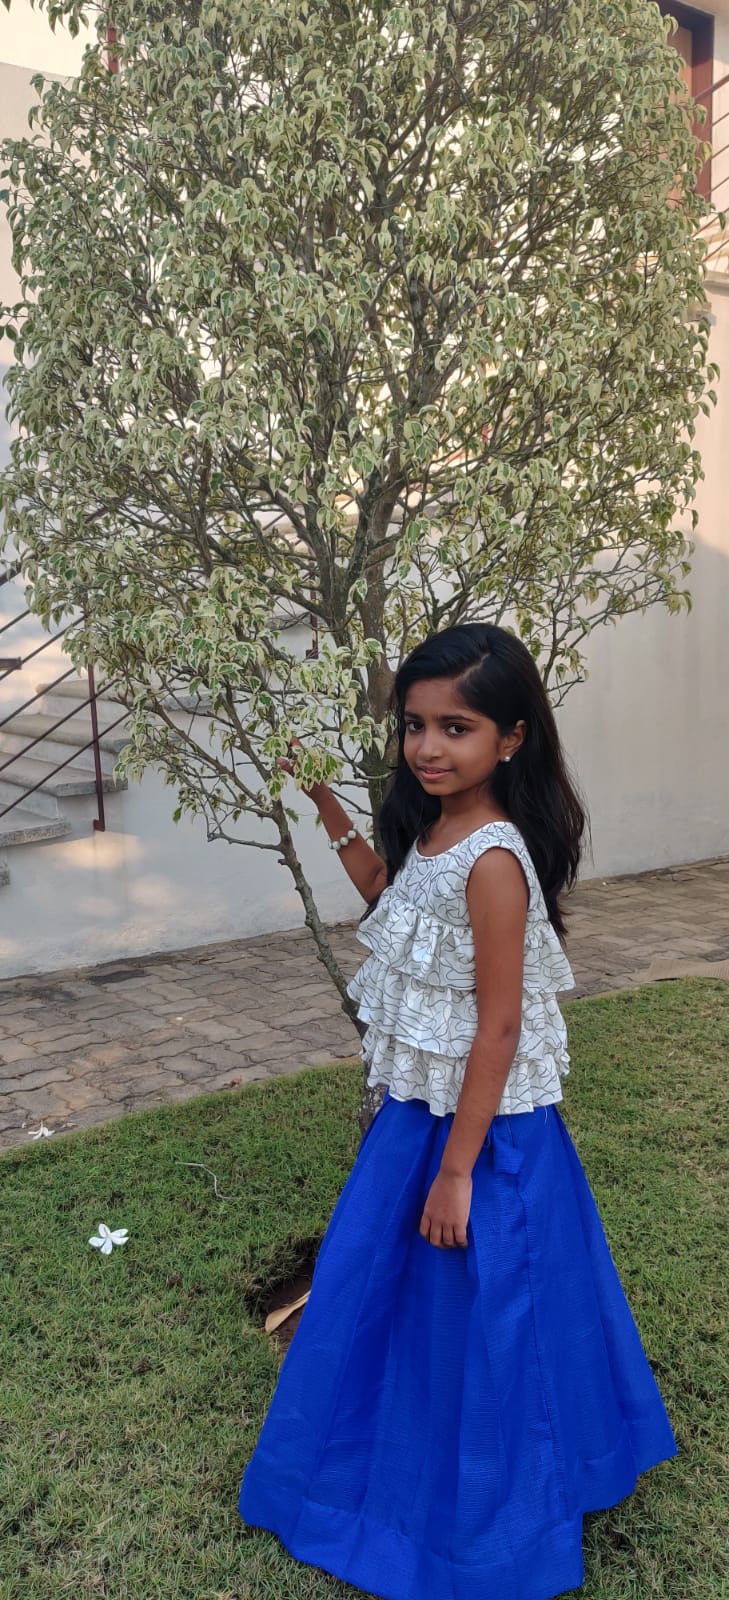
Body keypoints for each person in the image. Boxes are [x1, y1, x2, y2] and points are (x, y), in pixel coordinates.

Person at [237, 622, 677, 1600]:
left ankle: (497, 1509)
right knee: (395, 1291)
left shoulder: (494, 860)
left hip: (484, 1137)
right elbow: (388, 898)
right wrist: (323, 800)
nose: (428, 747)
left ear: (511, 738)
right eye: (415, 725)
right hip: (422, 1117)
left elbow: (501, 1025)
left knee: (494, 1311)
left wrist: (456, 1171)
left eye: (457, 728)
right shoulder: (437, 832)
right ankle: (399, 1450)